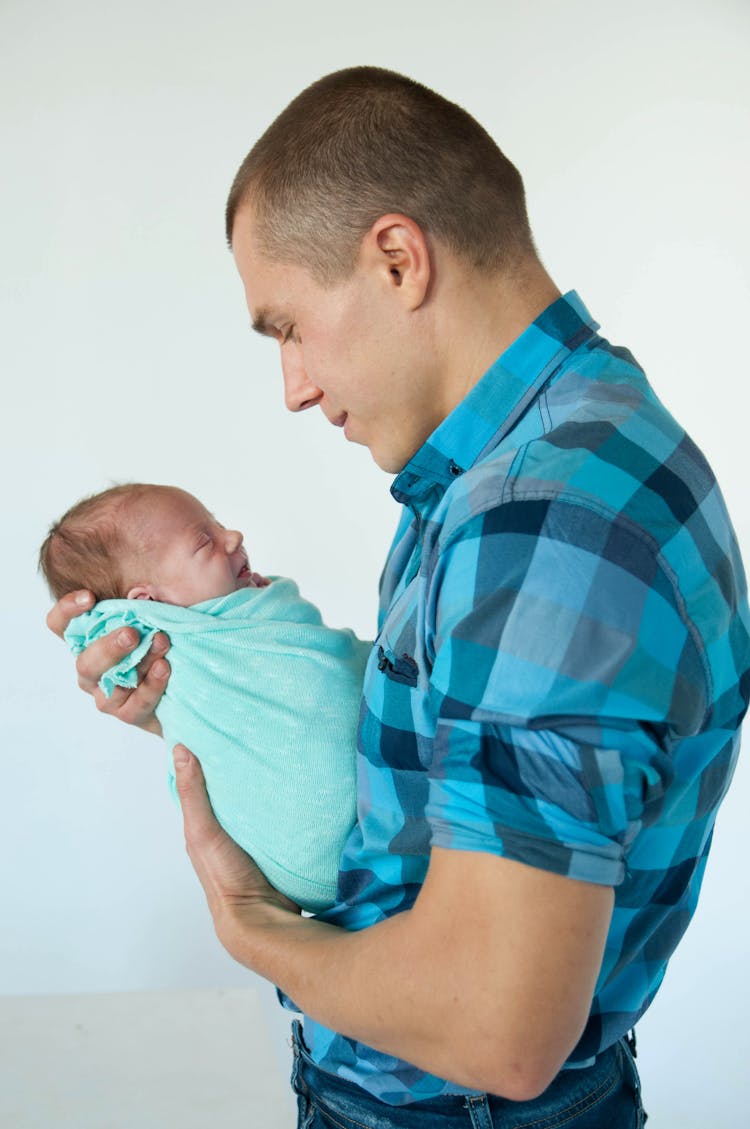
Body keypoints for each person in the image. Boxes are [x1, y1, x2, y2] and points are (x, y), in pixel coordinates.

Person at [47, 67, 750, 1127]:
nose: (291, 387)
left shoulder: (540, 519)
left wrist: (247, 924)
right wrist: (211, 708)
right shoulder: (538, 460)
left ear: (395, 258)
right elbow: (441, 776)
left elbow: (495, 1029)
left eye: (286, 325)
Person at [40, 482, 368, 912]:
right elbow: (99, 636)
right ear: (148, 600)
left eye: (219, 526)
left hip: (354, 844)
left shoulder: (244, 614)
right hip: (311, 848)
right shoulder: (163, 641)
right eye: (204, 540)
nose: (234, 538)